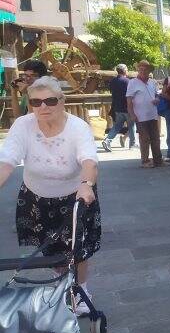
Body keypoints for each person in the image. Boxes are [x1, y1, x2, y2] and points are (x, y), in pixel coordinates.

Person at [0, 76, 100, 315]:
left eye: (50, 100)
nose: (43, 107)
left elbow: (89, 160)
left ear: (62, 101)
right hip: (37, 196)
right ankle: (65, 284)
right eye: (36, 102)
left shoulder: (77, 127)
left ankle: (81, 291)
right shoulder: (23, 125)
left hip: (74, 194)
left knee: (78, 249)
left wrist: (86, 184)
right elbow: (7, 161)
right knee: (52, 251)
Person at [126, 60, 164, 168]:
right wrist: (132, 114)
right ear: (138, 70)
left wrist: (157, 99)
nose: (142, 71)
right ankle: (145, 161)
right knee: (144, 139)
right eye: (140, 69)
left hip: (152, 114)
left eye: (145, 69)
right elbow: (129, 100)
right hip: (140, 116)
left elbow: (157, 95)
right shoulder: (132, 82)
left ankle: (158, 160)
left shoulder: (152, 82)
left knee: (155, 138)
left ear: (149, 70)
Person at [101, 64, 136, 152]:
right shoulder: (128, 81)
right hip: (127, 107)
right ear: (124, 71)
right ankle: (132, 144)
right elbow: (131, 95)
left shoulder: (113, 81)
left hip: (117, 107)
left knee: (117, 126)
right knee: (131, 125)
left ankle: (107, 140)